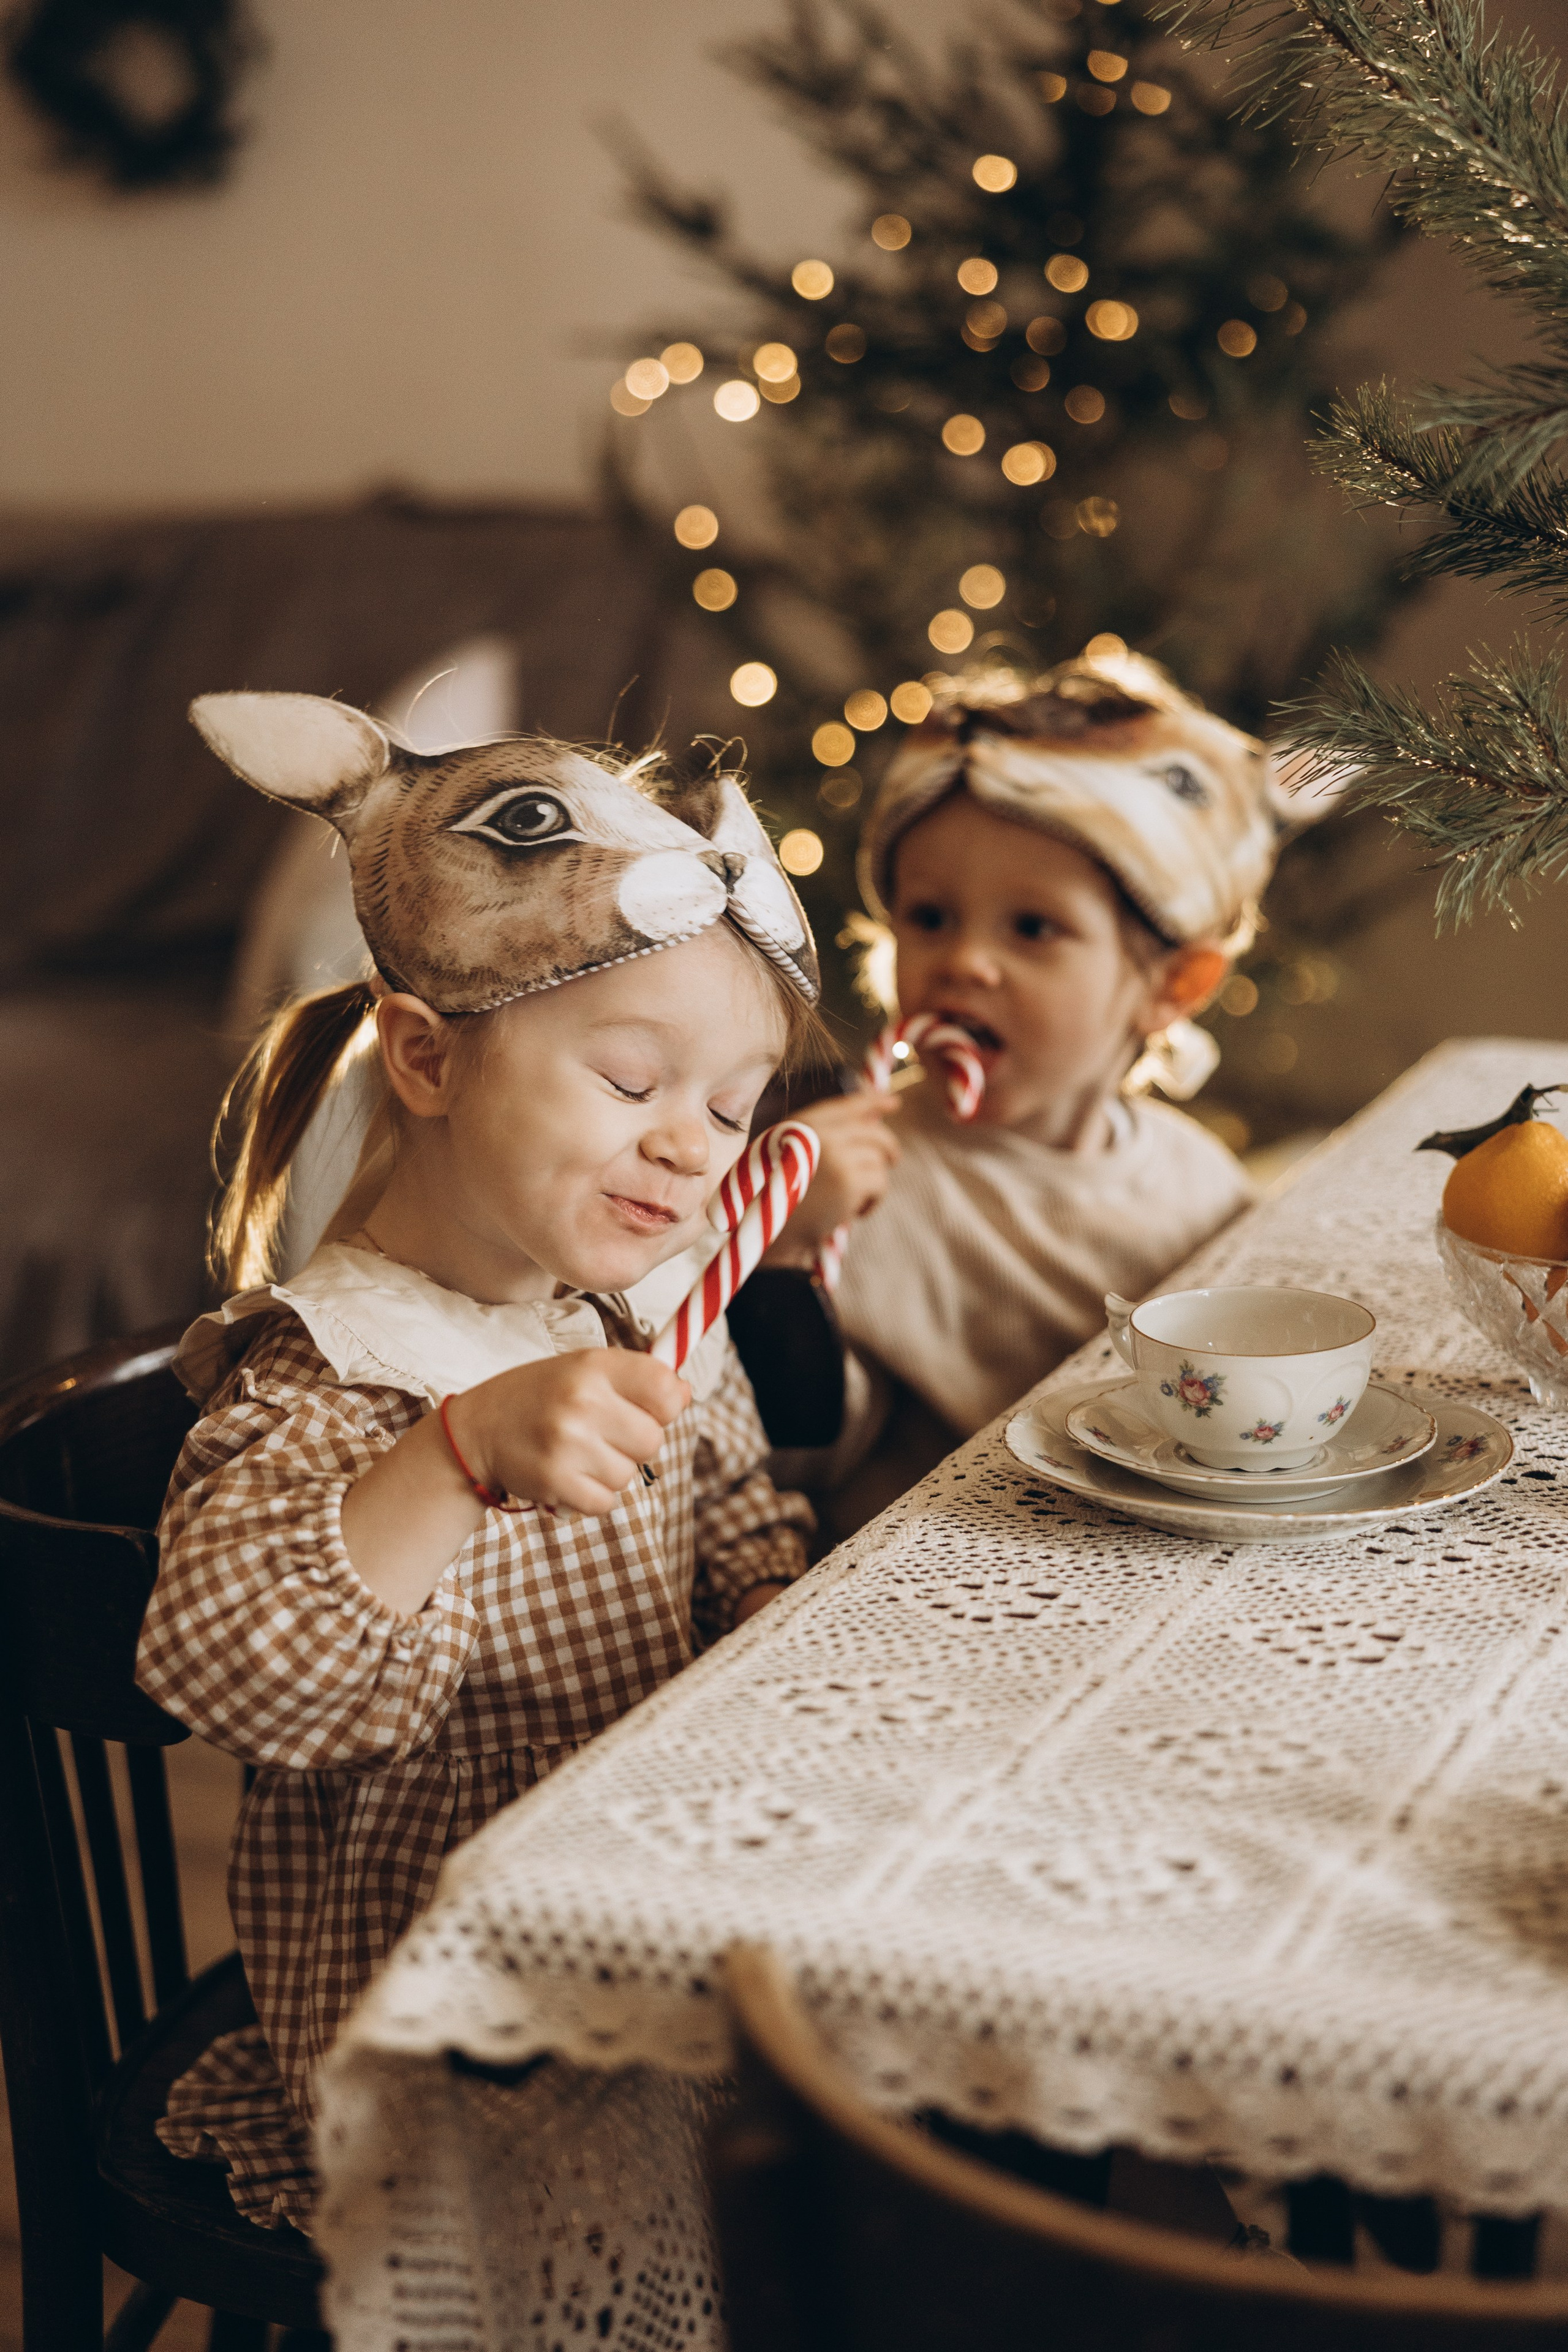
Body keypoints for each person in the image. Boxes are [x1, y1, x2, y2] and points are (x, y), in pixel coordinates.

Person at [135, 691, 826, 2228]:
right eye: (632, 1083)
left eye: (731, 1108)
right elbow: (230, 1673)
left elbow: (736, 1524)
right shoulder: (337, 1375)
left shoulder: (646, 1314)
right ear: (430, 1060)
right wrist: (455, 1458)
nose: (690, 1148)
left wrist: (781, 1635)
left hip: (654, 1923)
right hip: (449, 2033)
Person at [766, 650, 1308, 1534]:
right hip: (943, 1571)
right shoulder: (854, 1179)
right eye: (931, 918)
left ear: (1172, 985)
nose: (967, 961)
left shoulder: (1195, 1180)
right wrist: (785, 1252)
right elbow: (786, 1454)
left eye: (1033, 928)